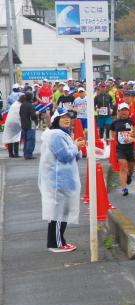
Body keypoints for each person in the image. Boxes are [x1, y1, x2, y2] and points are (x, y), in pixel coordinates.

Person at [40, 108, 85, 252]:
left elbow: (74, 156)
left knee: (61, 212)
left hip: (65, 180)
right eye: (63, 117)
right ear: (56, 120)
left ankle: (59, 241)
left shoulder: (64, 134)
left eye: (68, 117)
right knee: (58, 213)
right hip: (58, 181)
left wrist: (76, 147)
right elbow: (64, 156)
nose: (67, 119)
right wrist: (75, 146)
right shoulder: (55, 135)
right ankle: (56, 244)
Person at [110, 103, 135, 196]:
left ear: (128, 111)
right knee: (123, 166)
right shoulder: (115, 122)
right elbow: (111, 130)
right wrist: (111, 137)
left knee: (131, 167)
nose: (124, 112)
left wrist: (133, 137)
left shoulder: (132, 121)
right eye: (122, 110)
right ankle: (124, 188)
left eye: (126, 110)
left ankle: (129, 176)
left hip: (131, 148)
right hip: (120, 148)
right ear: (119, 112)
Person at [19, 91, 38, 159]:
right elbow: (33, 116)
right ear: (31, 97)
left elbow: (20, 114)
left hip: (23, 124)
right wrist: (36, 118)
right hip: (30, 124)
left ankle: (25, 153)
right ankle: (29, 154)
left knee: (26, 140)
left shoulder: (22, 104)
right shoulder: (31, 105)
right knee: (31, 139)